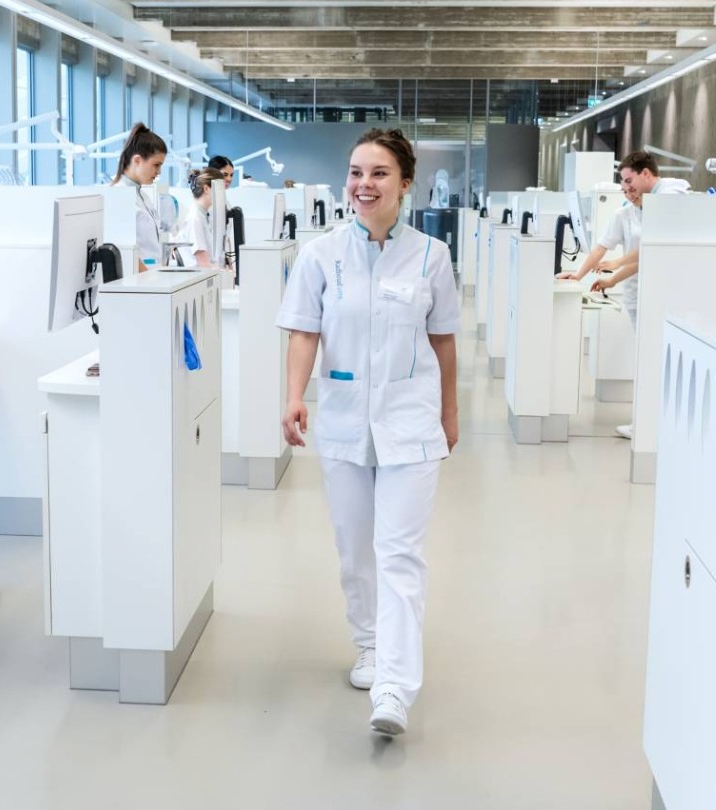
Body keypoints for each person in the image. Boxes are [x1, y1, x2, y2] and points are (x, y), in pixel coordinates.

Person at [278, 128, 460, 738]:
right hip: (344, 419)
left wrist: (450, 412)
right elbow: (304, 331)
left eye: (379, 173)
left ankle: (395, 688)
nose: (364, 184)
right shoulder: (320, 255)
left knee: (400, 553)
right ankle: (370, 645)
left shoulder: (433, 257)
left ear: (406, 183)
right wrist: (293, 397)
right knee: (355, 547)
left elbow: (443, 341)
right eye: (356, 172)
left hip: (411, 421)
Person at [558, 151, 658, 439]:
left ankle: (648, 425)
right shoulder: (624, 214)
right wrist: (581, 275)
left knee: (652, 361)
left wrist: (616, 266)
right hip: (638, 295)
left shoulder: (668, 203)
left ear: (647, 174)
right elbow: (601, 249)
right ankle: (644, 424)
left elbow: (653, 250)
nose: (627, 191)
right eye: (623, 186)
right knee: (645, 360)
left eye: (630, 183)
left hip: (662, 294)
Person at [112, 124, 170, 271]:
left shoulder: (143, 196)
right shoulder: (118, 197)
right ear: (137, 160)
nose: (159, 171)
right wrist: (150, 280)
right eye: (156, 165)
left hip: (151, 279)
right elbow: (124, 252)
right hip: (141, 283)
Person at [177, 167, 229, 268]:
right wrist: (225, 274)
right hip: (199, 279)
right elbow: (203, 264)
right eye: (220, 189)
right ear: (206, 189)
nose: (223, 194)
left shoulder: (202, 215)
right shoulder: (195, 219)